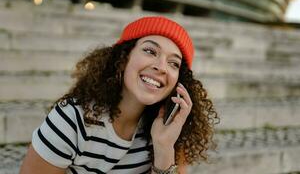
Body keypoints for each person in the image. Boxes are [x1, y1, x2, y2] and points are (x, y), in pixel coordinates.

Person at [20, 16, 219, 174]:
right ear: (123, 59)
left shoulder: (170, 130)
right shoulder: (73, 118)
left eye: (174, 63)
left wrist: (164, 146)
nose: (161, 67)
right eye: (150, 51)